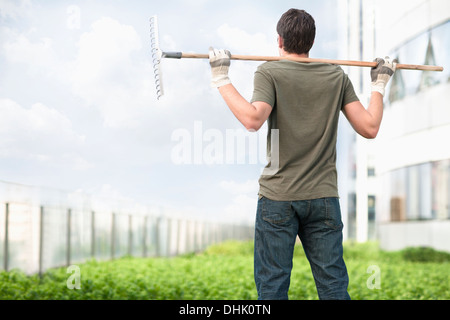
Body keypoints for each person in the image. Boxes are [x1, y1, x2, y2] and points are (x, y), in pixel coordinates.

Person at [209, 8, 396, 300]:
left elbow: (252, 119)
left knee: (272, 287)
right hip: (323, 199)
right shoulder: (336, 75)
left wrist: (221, 78)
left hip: (278, 198)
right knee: (333, 287)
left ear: (279, 40)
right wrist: (379, 84)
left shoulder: (269, 72)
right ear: (311, 41)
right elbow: (369, 127)